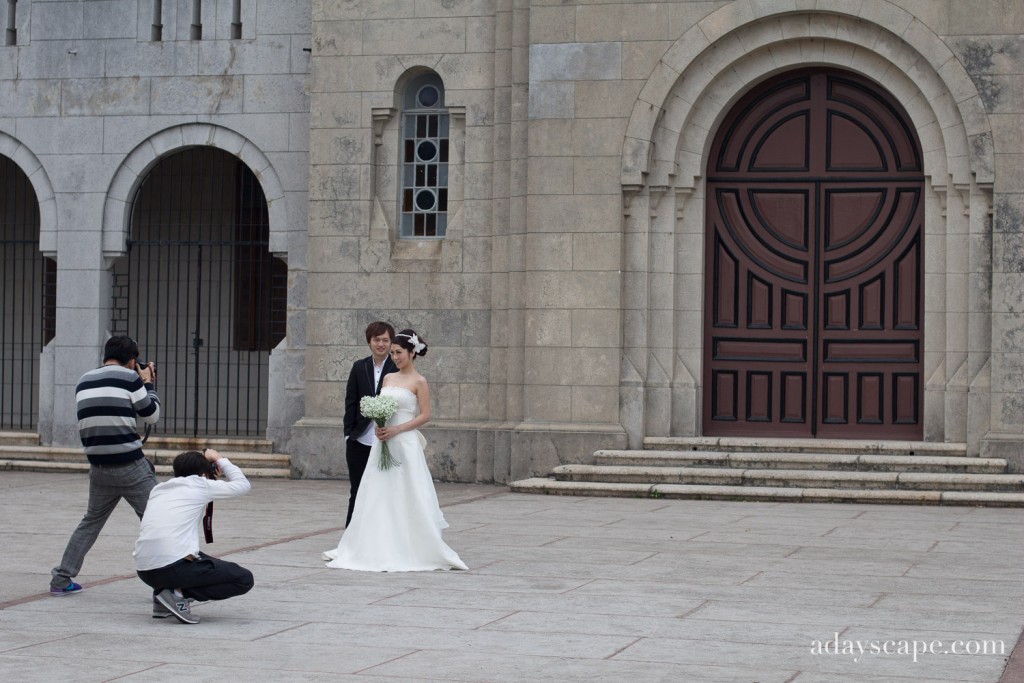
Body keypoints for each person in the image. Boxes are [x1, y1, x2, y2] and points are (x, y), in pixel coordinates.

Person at [323, 329, 467, 572]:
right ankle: (375, 543)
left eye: (399, 352)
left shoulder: (419, 382)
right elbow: (381, 407)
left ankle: (411, 545)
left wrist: (398, 428)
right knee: (378, 493)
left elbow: (425, 415)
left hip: (405, 442)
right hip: (384, 441)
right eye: (393, 353)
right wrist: (381, 426)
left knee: (406, 492)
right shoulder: (389, 379)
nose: (395, 357)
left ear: (412, 353)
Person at [50, 335, 160, 596]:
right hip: (130, 465)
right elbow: (152, 415)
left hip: (98, 466)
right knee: (160, 519)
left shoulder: (83, 380)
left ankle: (61, 579)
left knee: (91, 522)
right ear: (132, 360)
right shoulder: (131, 378)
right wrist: (149, 384)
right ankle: (170, 583)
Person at [134, 449, 253, 624]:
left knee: (194, 555)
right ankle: (175, 595)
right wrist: (220, 460)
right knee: (243, 579)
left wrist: (209, 476)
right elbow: (243, 485)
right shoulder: (201, 485)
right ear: (204, 474)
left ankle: (162, 599)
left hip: (145, 571)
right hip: (173, 568)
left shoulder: (158, 489)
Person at [342, 321, 398, 526]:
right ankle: (351, 533)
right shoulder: (359, 366)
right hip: (360, 439)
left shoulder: (396, 367)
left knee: (385, 490)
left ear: (391, 343)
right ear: (369, 342)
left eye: (385, 340)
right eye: (377, 340)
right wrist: (348, 434)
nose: (381, 344)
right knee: (357, 489)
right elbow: (351, 401)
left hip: (387, 439)